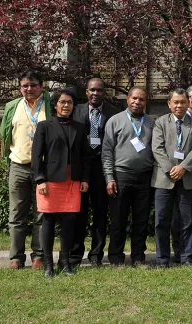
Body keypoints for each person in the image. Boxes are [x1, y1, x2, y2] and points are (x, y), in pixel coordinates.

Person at [31, 89, 90, 277]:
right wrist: (40, 180)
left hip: (73, 180)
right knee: (48, 221)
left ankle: (65, 262)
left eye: (70, 102)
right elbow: (36, 156)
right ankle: (48, 264)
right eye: (63, 102)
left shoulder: (80, 127)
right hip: (50, 180)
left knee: (69, 222)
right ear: (55, 104)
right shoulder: (44, 126)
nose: (66, 106)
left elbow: (85, 156)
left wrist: (85, 178)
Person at [0, 70, 50, 269]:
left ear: (41, 86)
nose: (29, 89)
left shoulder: (49, 105)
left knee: (41, 214)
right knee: (16, 215)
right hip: (18, 166)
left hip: (43, 169)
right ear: (20, 88)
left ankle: (38, 256)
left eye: (34, 85)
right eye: (25, 85)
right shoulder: (13, 106)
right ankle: (16, 257)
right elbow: (6, 135)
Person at [69, 78, 120, 267]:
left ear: (104, 92)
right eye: (92, 90)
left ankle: (96, 254)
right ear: (86, 92)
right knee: (78, 213)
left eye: (99, 90)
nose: (95, 93)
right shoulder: (76, 111)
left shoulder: (114, 114)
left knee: (100, 214)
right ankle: (75, 254)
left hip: (102, 169)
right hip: (81, 169)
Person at [102, 87, 155, 266]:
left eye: (141, 99)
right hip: (121, 175)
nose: (137, 102)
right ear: (127, 100)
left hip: (145, 177)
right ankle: (116, 257)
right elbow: (107, 152)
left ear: (145, 102)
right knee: (118, 218)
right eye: (134, 98)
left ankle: (138, 256)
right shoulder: (114, 121)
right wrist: (109, 178)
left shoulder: (151, 123)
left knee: (141, 219)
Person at [152, 88, 192, 267]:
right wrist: (170, 169)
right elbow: (157, 149)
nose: (179, 105)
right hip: (164, 179)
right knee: (161, 221)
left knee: (187, 221)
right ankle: (162, 259)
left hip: (187, 178)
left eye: (183, 102)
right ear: (169, 104)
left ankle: (186, 257)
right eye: (176, 102)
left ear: (188, 103)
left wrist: (183, 167)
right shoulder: (160, 122)